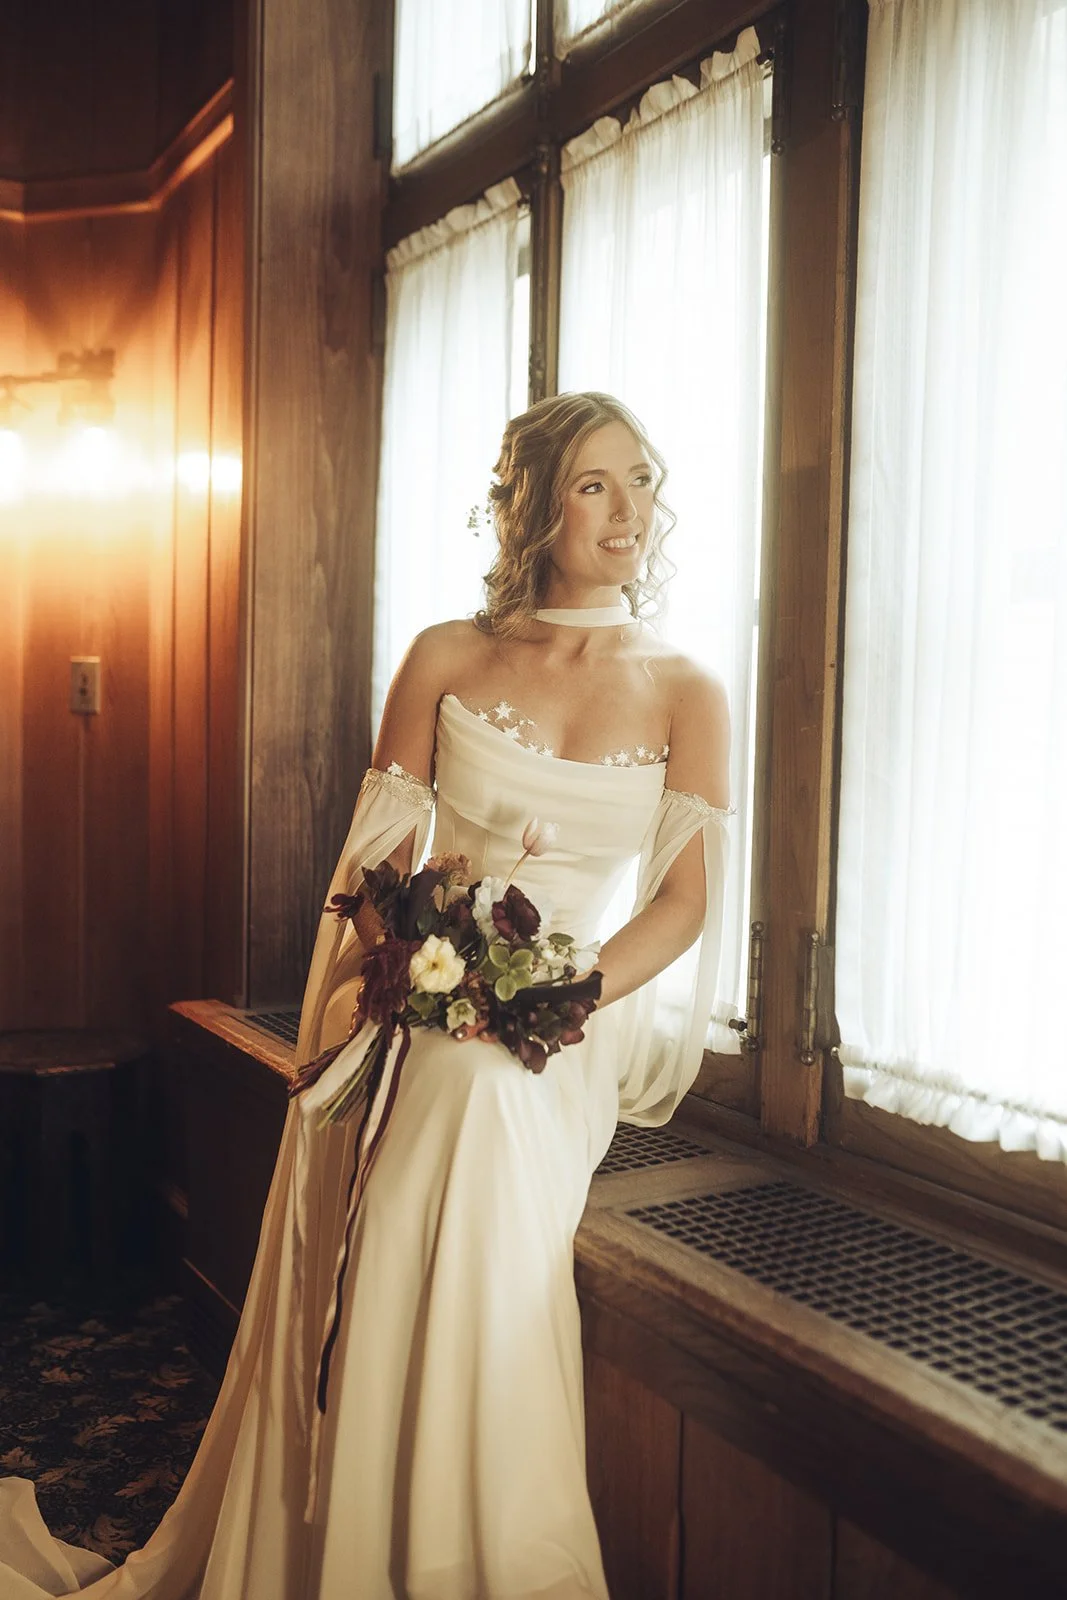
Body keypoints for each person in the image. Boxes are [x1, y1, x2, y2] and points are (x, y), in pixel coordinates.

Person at [0, 390, 731, 1599]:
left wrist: (563, 991)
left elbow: (681, 906)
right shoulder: (447, 654)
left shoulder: (685, 689)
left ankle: (465, 1532)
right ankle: (396, 1528)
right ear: (534, 504)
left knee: (485, 1085)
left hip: (568, 1018)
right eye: (596, 484)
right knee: (448, 1073)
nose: (628, 511)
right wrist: (391, 979)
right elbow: (379, 865)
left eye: (642, 481)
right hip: (427, 981)